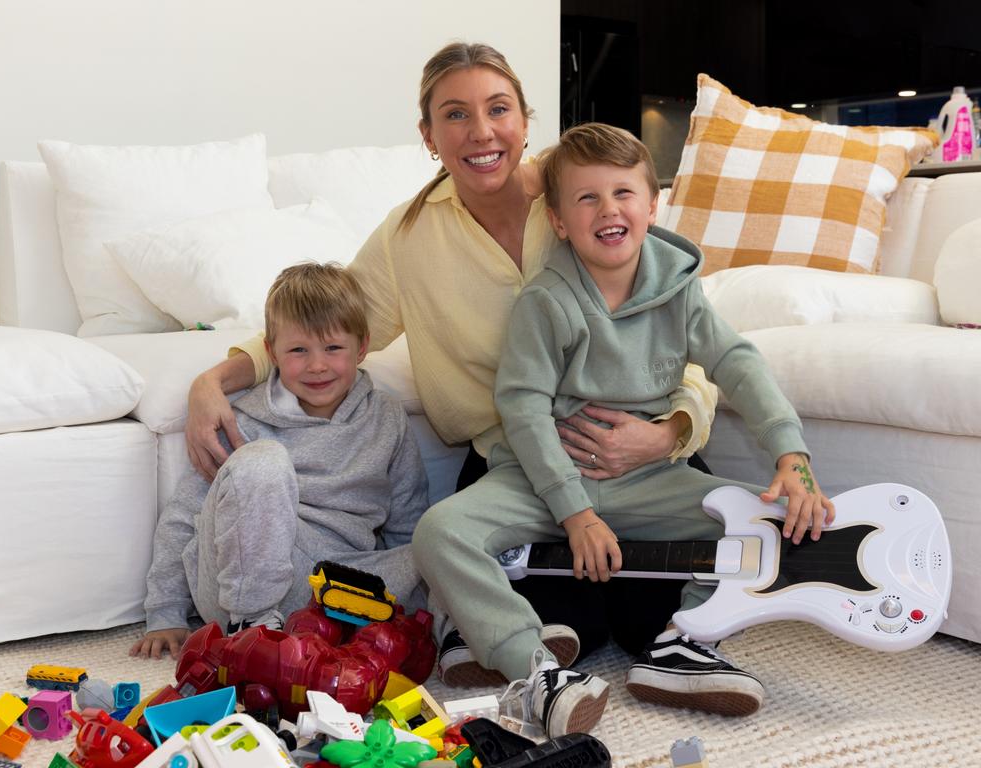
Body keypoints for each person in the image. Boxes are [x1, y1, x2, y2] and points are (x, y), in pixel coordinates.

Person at [183, 42, 716, 687]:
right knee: (562, 619)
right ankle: (527, 655)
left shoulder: (588, 191)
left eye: (498, 109)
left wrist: (668, 432)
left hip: (637, 451)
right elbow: (329, 327)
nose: (481, 132)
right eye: (455, 115)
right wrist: (214, 379)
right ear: (429, 135)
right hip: (511, 463)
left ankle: (672, 642)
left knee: (649, 617)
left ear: (525, 120)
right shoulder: (408, 237)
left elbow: (675, 327)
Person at [411, 123, 837, 732]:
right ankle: (532, 667)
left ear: (652, 203)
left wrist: (790, 455)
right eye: (586, 198)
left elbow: (736, 362)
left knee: (764, 524)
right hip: (545, 476)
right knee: (439, 532)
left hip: (647, 475)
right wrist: (575, 514)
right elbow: (524, 409)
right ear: (558, 220)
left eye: (623, 193)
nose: (608, 209)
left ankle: (680, 642)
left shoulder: (679, 286)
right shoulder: (547, 300)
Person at [131, 263, 428, 660]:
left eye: (333, 348)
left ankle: (447, 642)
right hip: (236, 589)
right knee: (262, 462)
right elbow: (185, 516)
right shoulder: (242, 421)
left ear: (361, 348)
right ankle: (253, 629)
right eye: (299, 350)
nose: (317, 365)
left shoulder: (387, 417)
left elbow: (408, 521)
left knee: (443, 544)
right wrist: (165, 613)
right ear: (271, 353)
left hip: (339, 583)